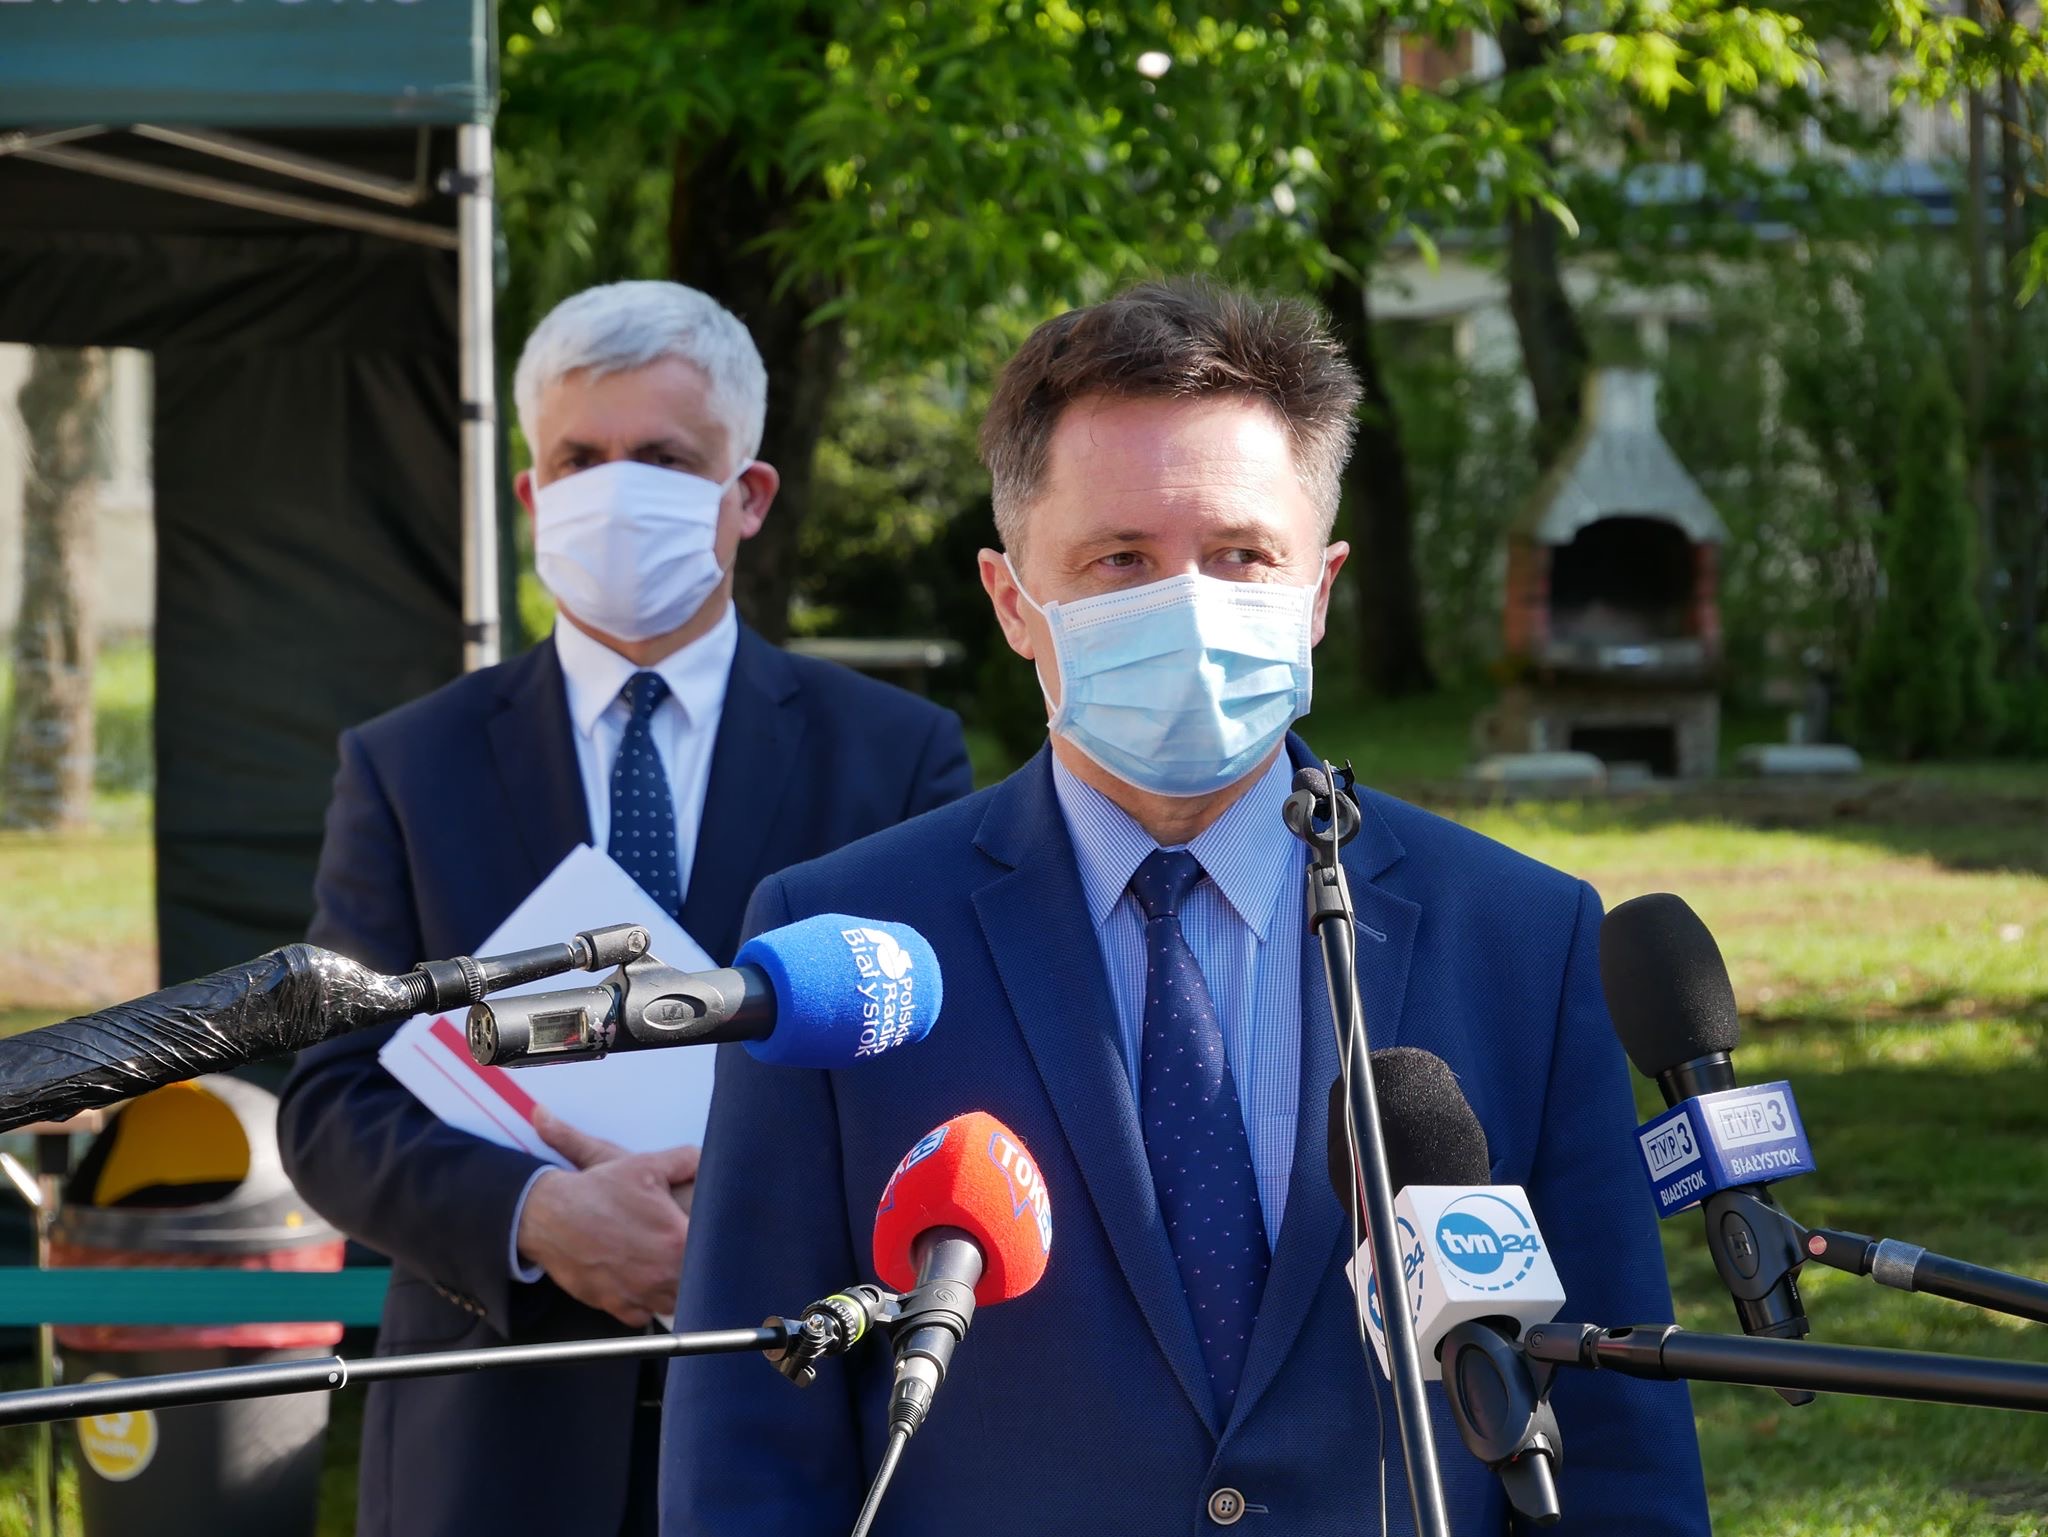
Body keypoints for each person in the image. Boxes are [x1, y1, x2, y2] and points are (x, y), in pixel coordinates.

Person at [663, 279, 1710, 1534]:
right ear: (1011, 600)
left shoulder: (1523, 940)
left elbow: (1615, 1439)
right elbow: (751, 1444)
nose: (1188, 605)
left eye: (1239, 556)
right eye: (1121, 560)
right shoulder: (844, 947)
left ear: (1316, 590)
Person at [278, 280, 974, 1537]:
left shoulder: (893, 757)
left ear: (747, 495)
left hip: (793, 1414)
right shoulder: (407, 765)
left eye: (662, 458)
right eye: (579, 460)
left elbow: (944, 1075)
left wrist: (742, 1222)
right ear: (531, 495)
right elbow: (332, 1102)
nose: (614, 490)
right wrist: (535, 1214)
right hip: (492, 1441)